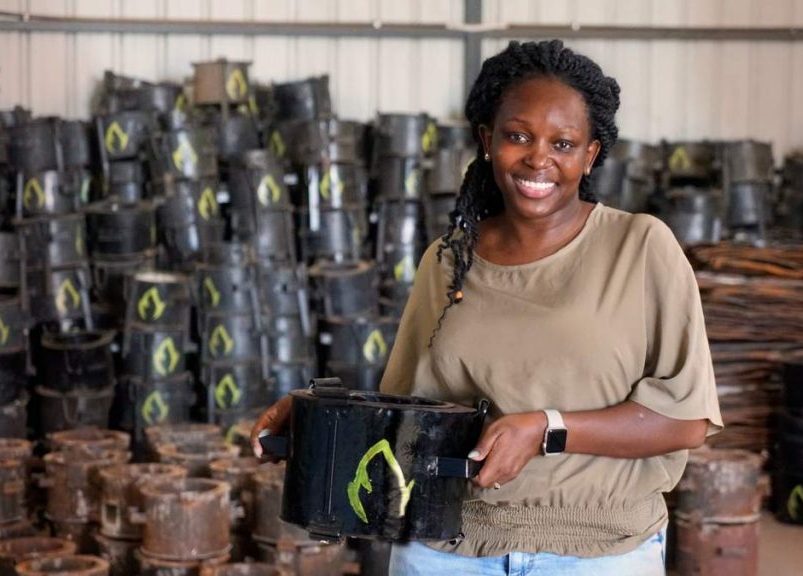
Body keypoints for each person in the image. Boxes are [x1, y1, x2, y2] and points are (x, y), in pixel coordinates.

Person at [252, 39, 723, 576]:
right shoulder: (449, 260)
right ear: (487, 140)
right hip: (446, 547)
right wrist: (321, 418)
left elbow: (685, 419)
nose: (538, 159)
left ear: (590, 154)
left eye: (563, 143)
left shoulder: (639, 247)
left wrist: (546, 427)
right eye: (517, 136)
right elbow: (412, 409)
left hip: (596, 551)